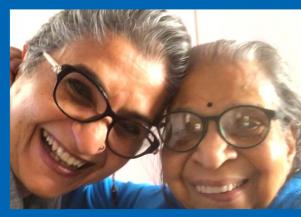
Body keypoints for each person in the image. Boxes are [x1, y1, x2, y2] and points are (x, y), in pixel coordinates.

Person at [62, 40, 301, 209]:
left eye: (247, 123)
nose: (212, 158)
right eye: (184, 127)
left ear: (289, 141)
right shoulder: (157, 204)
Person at [10, 9, 191, 208]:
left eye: (128, 127)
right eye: (79, 91)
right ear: (21, 64)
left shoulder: (85, 197)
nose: (89, 144)